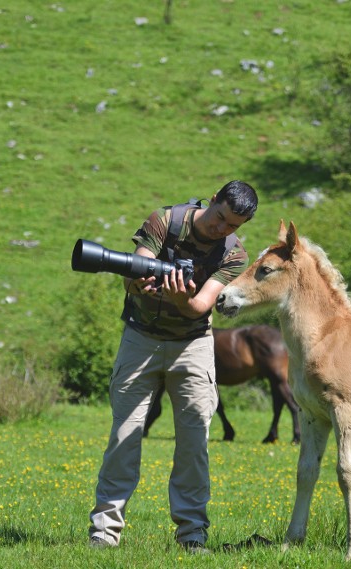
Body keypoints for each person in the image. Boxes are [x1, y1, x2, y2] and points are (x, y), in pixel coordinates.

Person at [89, 180, 259, 554]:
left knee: (195, 441)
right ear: (212, 200)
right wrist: (139, 285)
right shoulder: (164, 222)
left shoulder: (234, 256)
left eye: (232, 226)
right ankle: (104, 532)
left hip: (193, 345)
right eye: (219, 218)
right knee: (125, 435)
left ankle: (192, 534)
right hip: (141, 338)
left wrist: (183, 299)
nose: (221, 229)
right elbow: (134, 272)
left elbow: (200, 307)